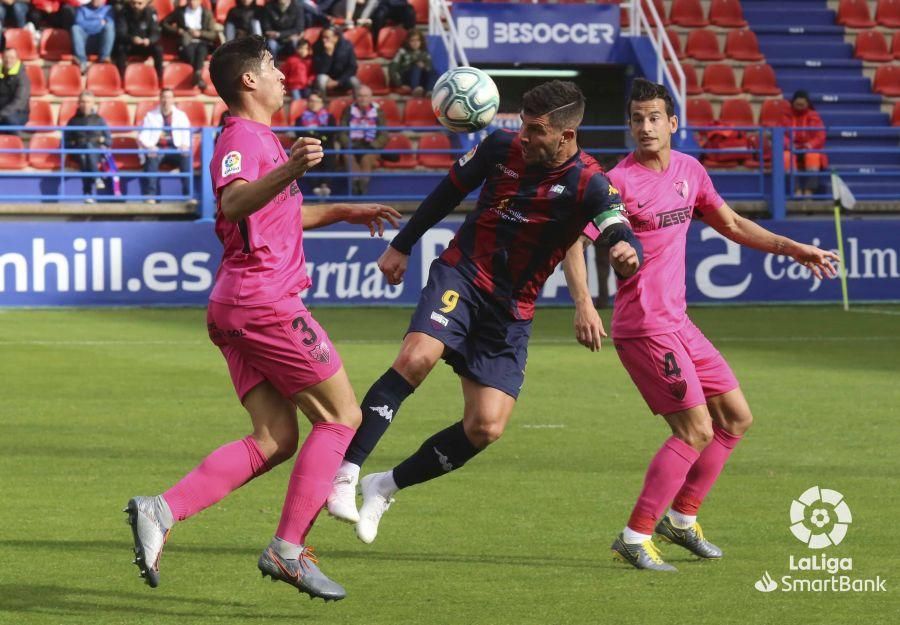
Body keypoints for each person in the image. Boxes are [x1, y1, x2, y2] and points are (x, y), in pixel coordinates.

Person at [124, 35, 401, 601]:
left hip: (237, 304)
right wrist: (293, 166)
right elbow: (234, 201)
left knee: (275, 438)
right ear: (248, 80)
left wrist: (346, 210)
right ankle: (289, 550)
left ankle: (161, 509)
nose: (281, 74)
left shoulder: (261, 140)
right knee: (342, 417)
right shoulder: (243, 138)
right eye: (273, 66)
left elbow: (279, 213)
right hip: (264, 301)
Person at [324, 81, 643, 545]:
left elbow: (616, 224)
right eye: (523, 125)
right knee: (416, 359)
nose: (524, 136)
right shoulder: (499, 147)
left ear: (566, 136)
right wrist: (402, 244)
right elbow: (447, 192)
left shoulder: (589, 181)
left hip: (511, 311)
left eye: (535, 129)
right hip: (464, 274)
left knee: (486, 426)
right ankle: (346, 473)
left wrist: (624, 250)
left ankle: (384, 486)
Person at [562, 78, 839, 572]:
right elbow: (572, 242)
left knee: (735, 418)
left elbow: (732, 224)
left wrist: (795, 248)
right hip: (644, 325)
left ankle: (682, 520)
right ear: (629, 126)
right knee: (694, 431)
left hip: (679, 322)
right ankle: (635, 534)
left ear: (672, 124)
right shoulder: (615, 182)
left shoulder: (690, 170)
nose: (645, 128)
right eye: (636, 119)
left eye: (654, 119)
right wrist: (584, 303)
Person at [137, 88, 192, 203]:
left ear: (173, 100)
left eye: (169, 97)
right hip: (158, 149)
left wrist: (185, 145)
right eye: (164, 97)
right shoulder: (150, 116)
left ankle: (188, 196)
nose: (166, 100)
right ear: (160, 99)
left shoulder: (181, 116)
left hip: (175, 149)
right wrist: (149, 146)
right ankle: (150, 196)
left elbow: (186, 134)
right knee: (151, 158)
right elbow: (143, 136)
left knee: (186, 157)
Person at [161, 0, 221, 91]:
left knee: (201, 50)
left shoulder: (207, 13)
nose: (192, 2)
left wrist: (200, 33)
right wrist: (177, 31)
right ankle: (198, 76)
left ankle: (197, 74)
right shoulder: (179, 11)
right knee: (189, 53)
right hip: (186, 42)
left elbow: (213, 35)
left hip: (202, 42)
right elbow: (164, 24)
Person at [337, 85, 387, 196]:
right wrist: (349, 145)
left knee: (366, 158)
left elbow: (384, 134)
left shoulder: (378, 112)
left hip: (370, 146)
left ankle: (362, 186)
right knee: (348, 156)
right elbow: (342, 132)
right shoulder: (348, 110)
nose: (363, 99)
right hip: (352, 145)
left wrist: (373, 145)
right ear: (356, 97)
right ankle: (355, 184)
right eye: (360, 96)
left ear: (370, 98)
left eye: (366, 96)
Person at [65, 90, 111, 202]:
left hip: (96, 153)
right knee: (83, 153)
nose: (85, 105)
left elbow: (109, 141)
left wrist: (102, 140)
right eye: (83, 102)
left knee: (86, 153)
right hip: (78, 151)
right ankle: (96, 178)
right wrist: (74, 144)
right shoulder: (72, 121)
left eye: (88, 102)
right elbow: (66, 141)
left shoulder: (100, 120)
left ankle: (87, 193)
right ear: (78, 103)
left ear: (93, 103)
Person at [783, 90, 827, 197]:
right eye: (797, 104)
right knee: (786, 157)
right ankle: (796, 189)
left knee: (813, 157)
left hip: (809, 148)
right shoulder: (785, 116)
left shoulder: (814, 116)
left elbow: (820, 136)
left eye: (802, 105)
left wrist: (810, 145)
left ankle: (809, 191)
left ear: (807, 104)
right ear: (793, 103)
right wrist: (789, 144)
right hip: (791, 148)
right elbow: (780, 135)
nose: (800, 107)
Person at [296, 90, 337, 197]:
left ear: (322, 103)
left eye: (316, 101)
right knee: (309, 155)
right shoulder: (300, 118)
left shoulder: (329, 117)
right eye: (311, 101)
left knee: (329, 154)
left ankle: (325, 186)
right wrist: (319, 134)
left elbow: (331, 134)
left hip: (326, 147)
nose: (313, 104)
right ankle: (315, 188)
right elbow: (300, 133)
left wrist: (313, 134)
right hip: (308, 147)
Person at [113, 0, 164, 82]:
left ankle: (159, 78)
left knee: (158, 49)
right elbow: (121, 33)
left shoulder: (151, 13)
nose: (136, 5)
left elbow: (156, 32)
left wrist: (149, 40)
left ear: (145, 3)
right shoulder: (123, 13)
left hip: (145, 45)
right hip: (130, 44)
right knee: (121, 49)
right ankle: (121, 78)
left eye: (139, 3)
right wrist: (132, 39)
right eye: (133, 3)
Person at [312, 26, 360, 95]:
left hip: (343, 79)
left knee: (354, 81)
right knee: (321, 78)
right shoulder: (317, 47)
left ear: (335, 38)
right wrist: (328, 55)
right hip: (327, 79)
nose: (324, 40)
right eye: (323, 37)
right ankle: (323, 102)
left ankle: (358, 104)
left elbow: (352, 67)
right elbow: (320, 70)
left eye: (327, 38)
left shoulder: (347, 46)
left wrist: (339, 81)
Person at [71, 0, 115, 73]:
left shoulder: (108, 9)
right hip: (85, 42)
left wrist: (88, 23)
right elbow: (79, 22)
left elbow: (110, 22)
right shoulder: (82, 8)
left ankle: (104, 59)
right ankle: (81, 62)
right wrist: (99, 23)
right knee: (75, 28)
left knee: (109, 27)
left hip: (101, 41)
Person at [388, 29, 435, 97]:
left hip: (421, 80)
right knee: (417, 66)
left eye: (417, 40)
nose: (415, 43)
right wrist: (400, 84)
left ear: (421, 41)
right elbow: (392, 69)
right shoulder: (402, 52)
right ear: (408, 42)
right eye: (412, 40)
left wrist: (424, 66)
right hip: (406, 79)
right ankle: (415, 89)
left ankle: (429, 91)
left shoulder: (425, 53)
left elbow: (430, 68)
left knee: (434, 72)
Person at [0, 48, 29, 130]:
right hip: (2, 113)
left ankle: (14, 141)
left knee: (10, 120)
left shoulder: (22, 78)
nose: (8, 60)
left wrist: (1, 114)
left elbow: (19, 102)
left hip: (17, 114)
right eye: (6, 57)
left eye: (12, 58)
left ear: (17, 59)